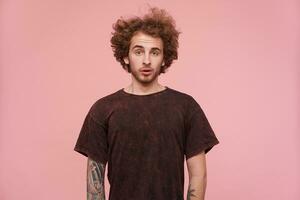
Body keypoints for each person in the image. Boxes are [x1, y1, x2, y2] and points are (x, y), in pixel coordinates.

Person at [74, 6, 220, 200]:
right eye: (138, 51)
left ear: (164, 58)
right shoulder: (102, 110)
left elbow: (198, 175)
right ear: (126, 56)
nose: (146, 60)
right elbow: (95, 184)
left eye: (154, 52)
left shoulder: (186, 107)